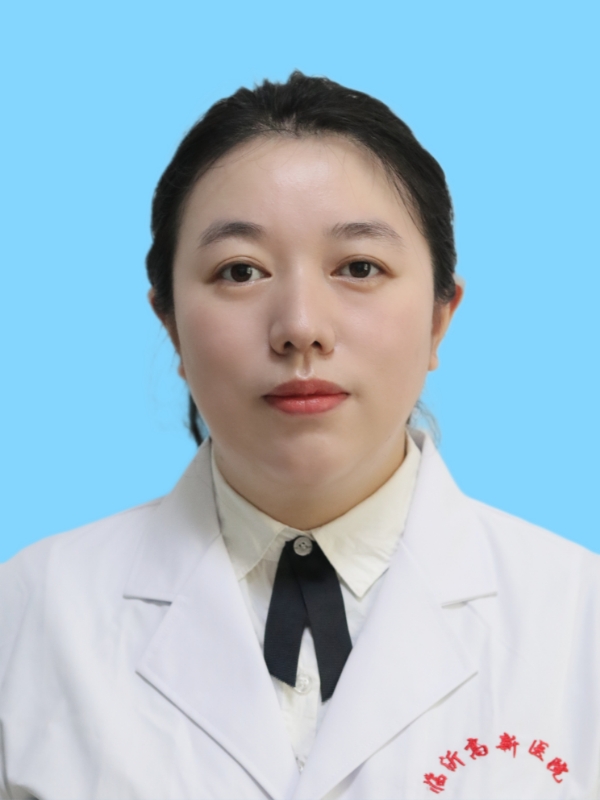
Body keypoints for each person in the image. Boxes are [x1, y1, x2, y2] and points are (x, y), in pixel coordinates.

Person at [0, 72, 598, 800]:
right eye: (240, 271)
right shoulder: (30, 611)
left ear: (441, 316)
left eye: (359, 267)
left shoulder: (578, 618)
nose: (301, 327)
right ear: (170, 324)